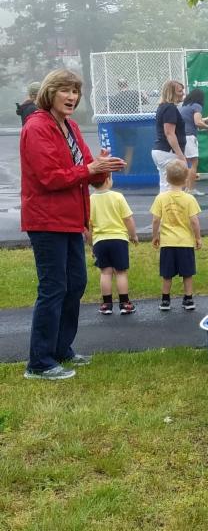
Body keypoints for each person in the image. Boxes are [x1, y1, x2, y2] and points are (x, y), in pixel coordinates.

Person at [21, 68, 126, 380]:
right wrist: (90, 169)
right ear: (50, 93)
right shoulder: (36, 127)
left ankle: (60, 349)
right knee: (53, 287)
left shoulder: (71, 126)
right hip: (46, 220)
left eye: (75, 91)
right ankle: (39, 363)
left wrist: (103, 167)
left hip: (70, 220)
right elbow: (49, 177)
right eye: (65, 90)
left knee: (76, 283)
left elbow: (87, 172)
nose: (71, 97)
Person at [150, 160, 202, 311]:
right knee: (187, 273)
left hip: (167, 243)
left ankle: (165, 300)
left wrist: (155, 236)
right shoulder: (189, 199)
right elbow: (194, 221)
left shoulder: (161, 198)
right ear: (186, 179)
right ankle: (188, 299)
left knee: (167, 274)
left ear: (166, 178)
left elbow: (155, 220)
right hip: (185, 242)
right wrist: (198, 237)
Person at [89, 174, 138, 315]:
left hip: (100, 241)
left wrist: (91, 244)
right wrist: (133, 235)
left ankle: (106, 304)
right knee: (121, 272)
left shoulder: (90, 200)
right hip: (118, 240)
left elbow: (89, 225)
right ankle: (124, 303)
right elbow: (128, 219)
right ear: (108, 180)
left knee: (105, 272)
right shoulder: (118, 197)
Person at [151, 80, 187, 193]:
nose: (183, 93)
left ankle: (163, 204)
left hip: (162, 151)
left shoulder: (163, 107)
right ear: (171, 93)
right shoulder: (170, 108)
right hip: (168, 152)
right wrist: (180, 155)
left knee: (165, 185)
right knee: (173, 186)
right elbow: (169, 133)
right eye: (180, 91)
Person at [179, 88, 208, 196]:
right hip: (190, 137)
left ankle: (183, 188)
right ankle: (190, 189)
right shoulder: (197, 106)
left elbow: (192, 120)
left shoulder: (184, 107)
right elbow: (197, 122)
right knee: (193, 164)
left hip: (181, 137)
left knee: (184, 163)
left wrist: (205, 120)